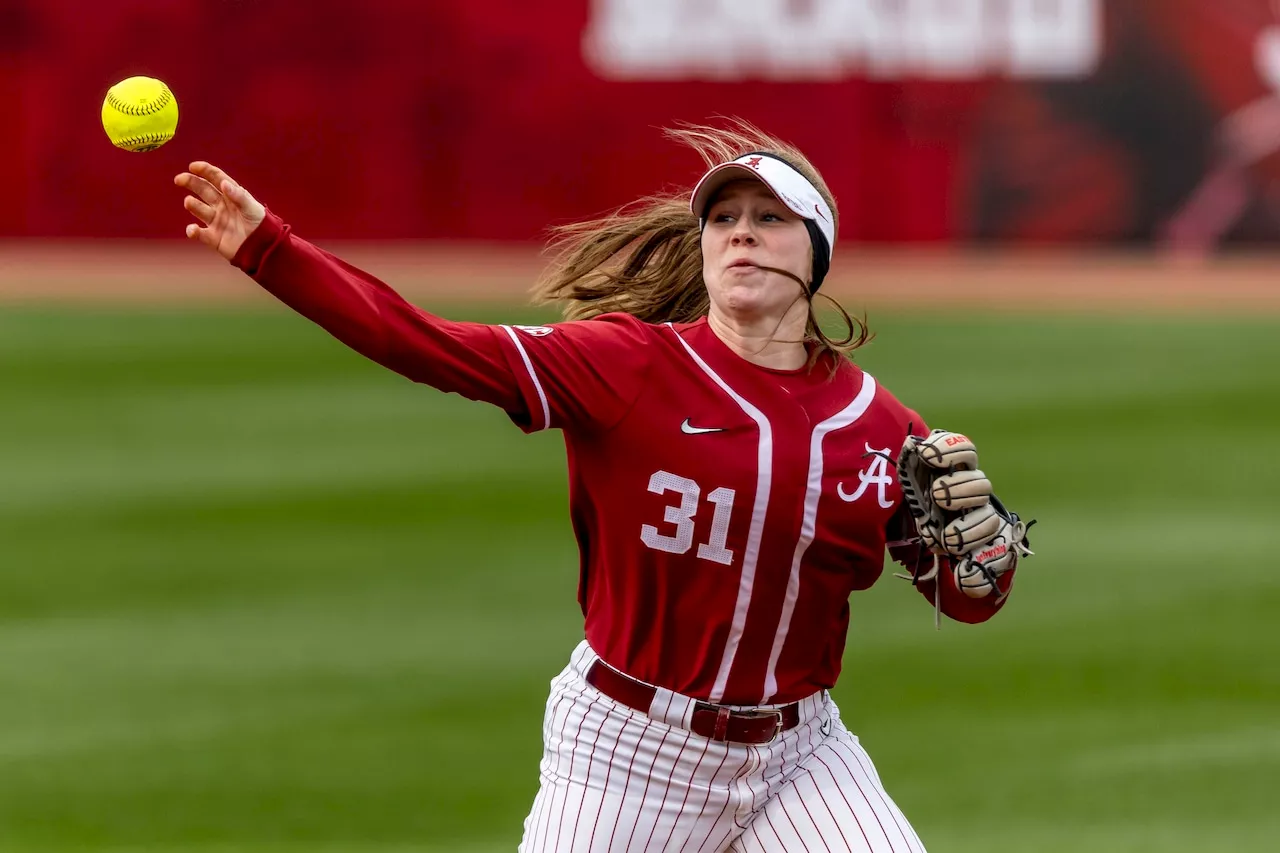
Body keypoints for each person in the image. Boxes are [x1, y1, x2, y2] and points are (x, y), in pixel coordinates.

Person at [174, 120, 1023, 853]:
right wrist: (270, 249)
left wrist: (984, 551)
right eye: (723, 218)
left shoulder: (884, 430)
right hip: (627, 751)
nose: (741, 234)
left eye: (770, 219)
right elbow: (427, 343)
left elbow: (970, 595)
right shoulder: (626, 366)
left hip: (801, 756)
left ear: (818, 251)